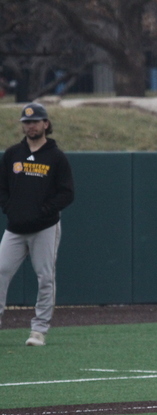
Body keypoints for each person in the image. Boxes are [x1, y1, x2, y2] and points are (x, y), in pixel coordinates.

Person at [0, 102, 75, 346]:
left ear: (46, 124)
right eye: (26, 122)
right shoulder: (13, 154)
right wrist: (10, 208)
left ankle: (39, 329)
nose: (30, 126)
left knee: (45, 277)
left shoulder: (56, 157)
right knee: (0, 270)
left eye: (35, 122)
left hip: (45, 227)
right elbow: (2, 188)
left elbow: (67, 193)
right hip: (15, 227)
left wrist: (43, 211)